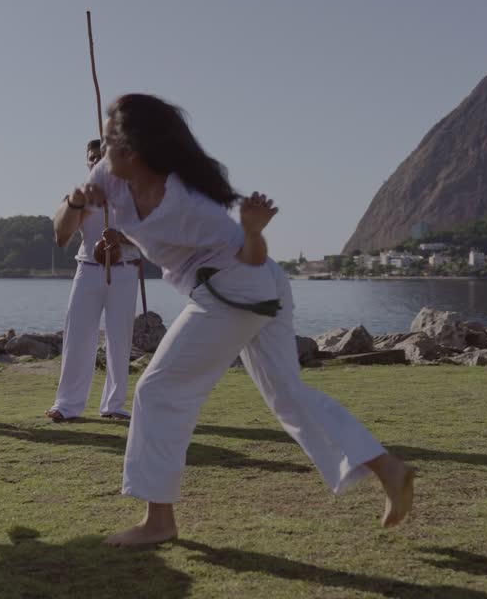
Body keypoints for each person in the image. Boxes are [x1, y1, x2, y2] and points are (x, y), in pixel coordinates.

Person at [52, 93, 417, 547]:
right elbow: (62, 233)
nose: (102, 150)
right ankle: (388, 469)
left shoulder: (190, 204)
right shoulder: (108, 174)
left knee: (158, 390)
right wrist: (75, 201)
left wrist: (252, 231)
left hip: (239, 286)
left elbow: (252, 258)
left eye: (109, 142)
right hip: (242, 289)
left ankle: (159, 520)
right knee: (288, 396)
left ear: (135, 151)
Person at [46, 139, 141, 423]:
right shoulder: (78, 197)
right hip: (87, 269)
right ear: (87, 163)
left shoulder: (132, 194)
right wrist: (74, 204)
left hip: (124, 269)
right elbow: (61, 237)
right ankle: (67, 404)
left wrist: (120, 237)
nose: (97, 161)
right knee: (78, 337)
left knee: (119, 339)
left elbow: (149, 235)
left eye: (103, 156)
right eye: (92, 158)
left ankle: (114, 404)